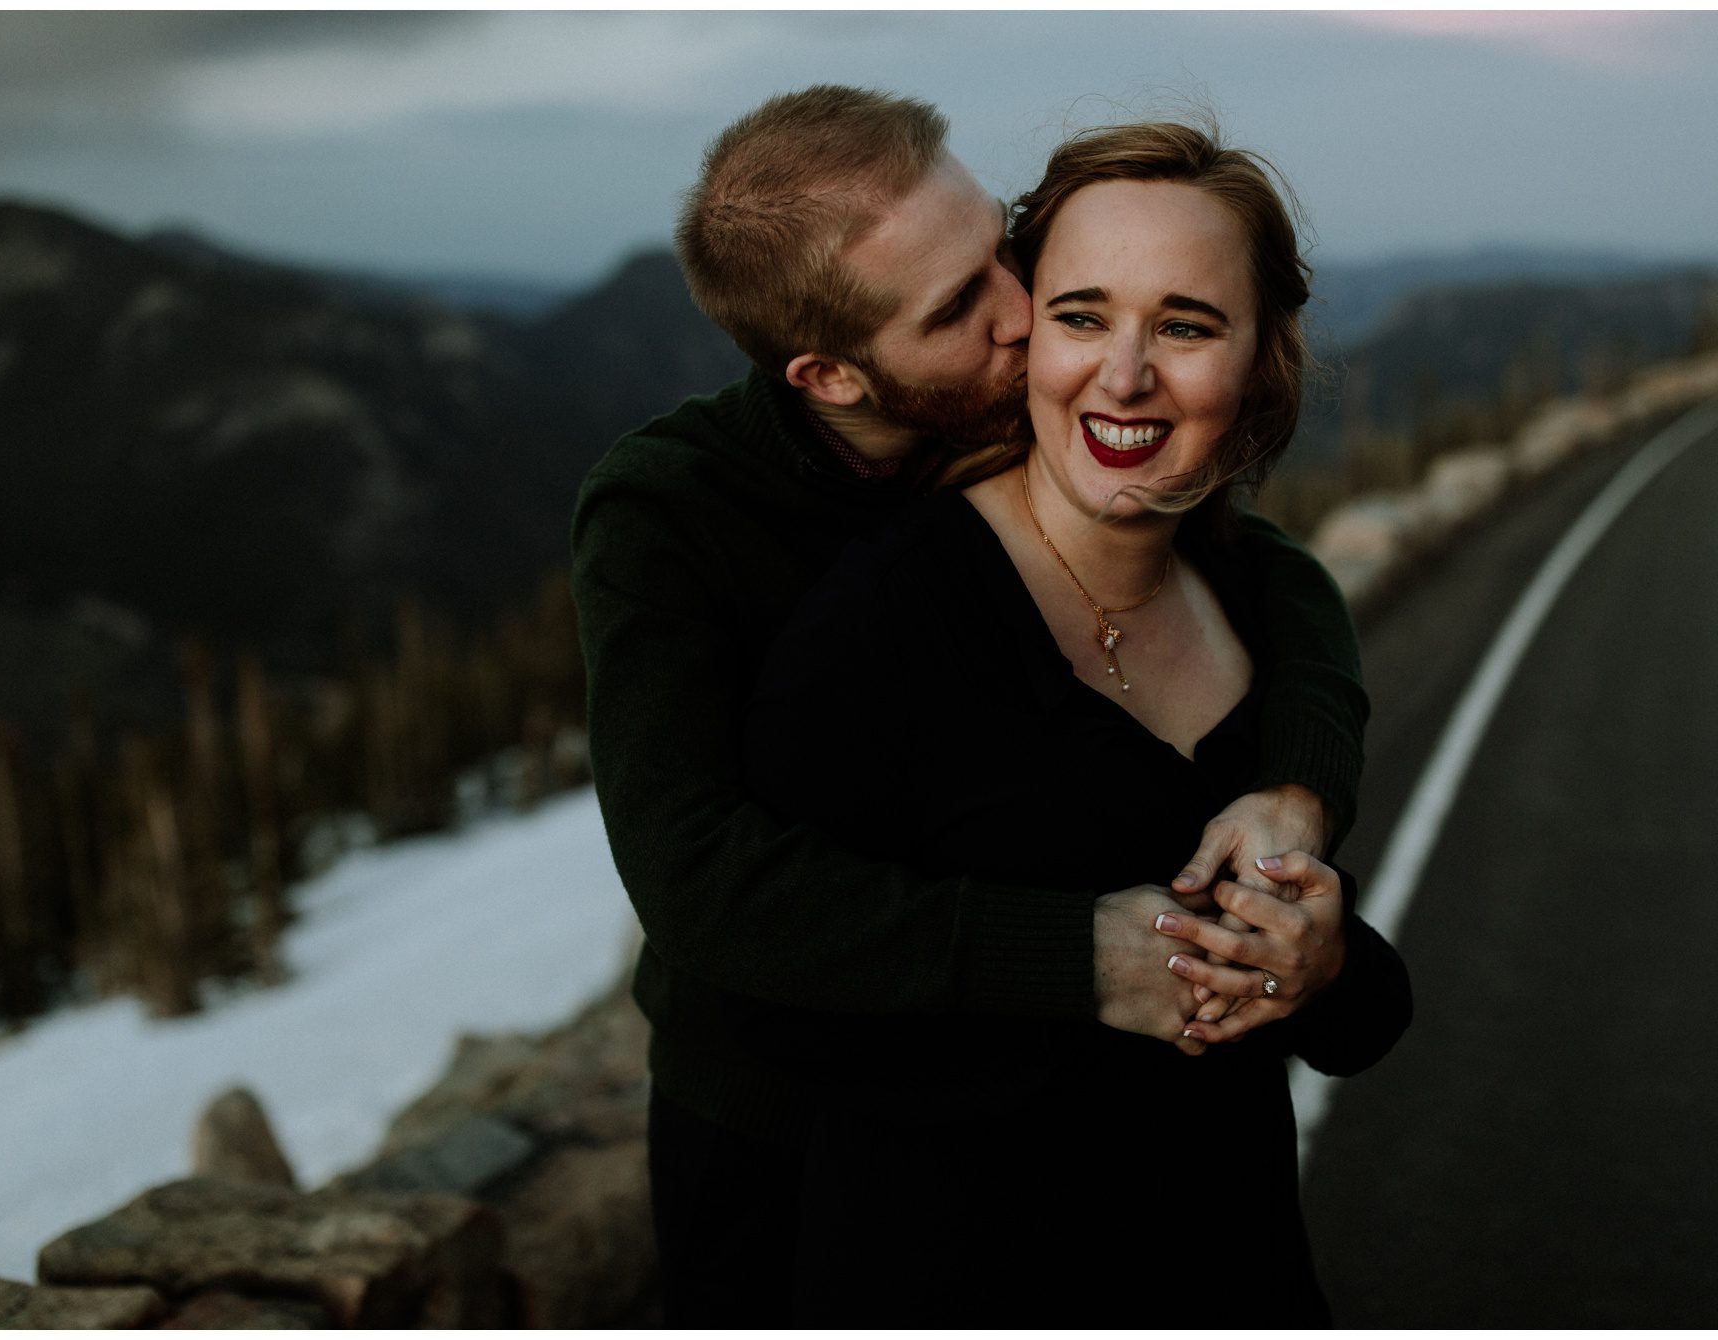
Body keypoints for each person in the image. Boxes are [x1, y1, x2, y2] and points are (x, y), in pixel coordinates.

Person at [569, 87, 1373, 1326]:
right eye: (957, 307)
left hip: (1078, 1130)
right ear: (830, 374)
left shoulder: (1016, 416)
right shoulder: (671, 512)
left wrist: (1298, 782)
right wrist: (1075, 956)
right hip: (776, 1106)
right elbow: (698, 881)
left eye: (997, 244)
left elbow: (1269, 574)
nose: (1020, 310)